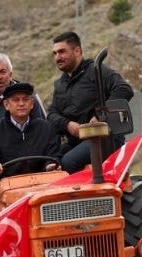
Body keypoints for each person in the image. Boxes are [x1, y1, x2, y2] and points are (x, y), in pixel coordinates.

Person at [0, 82, 61, 252]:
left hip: (40, 186)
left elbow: (54, 155)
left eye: (25, 99)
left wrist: (50, 165)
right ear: (6, 105)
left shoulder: (45, 128)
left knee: (61, 213)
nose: (21, 103)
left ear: (32, 104)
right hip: (3, 187)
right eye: (16, 100)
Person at [47, 31, 134, 173]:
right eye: (55, 53)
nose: (57, 57)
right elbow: (52, 114)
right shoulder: (60, 84)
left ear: (77, 51)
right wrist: (67, 124)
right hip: (76, 142)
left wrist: (100, 115)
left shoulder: (96, 71)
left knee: (68, 162)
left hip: (103, 138)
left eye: (62, 52)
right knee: (48, 162)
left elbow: (124, 89)